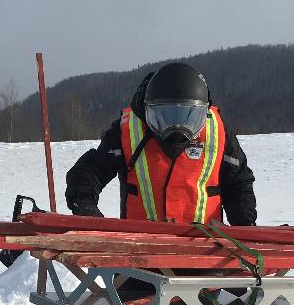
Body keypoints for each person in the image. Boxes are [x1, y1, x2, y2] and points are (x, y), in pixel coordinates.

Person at [64, 62, 257, 225]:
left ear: (204, 113)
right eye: (164, 116)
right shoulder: (128, 130)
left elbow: (238, 184)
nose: (177, 129)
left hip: (206, 251)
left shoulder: (218, 130)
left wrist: (244, 227)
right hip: (140, 251)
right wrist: (86, 207)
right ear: (147, 110)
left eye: (189, 117)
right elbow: (91, 170)